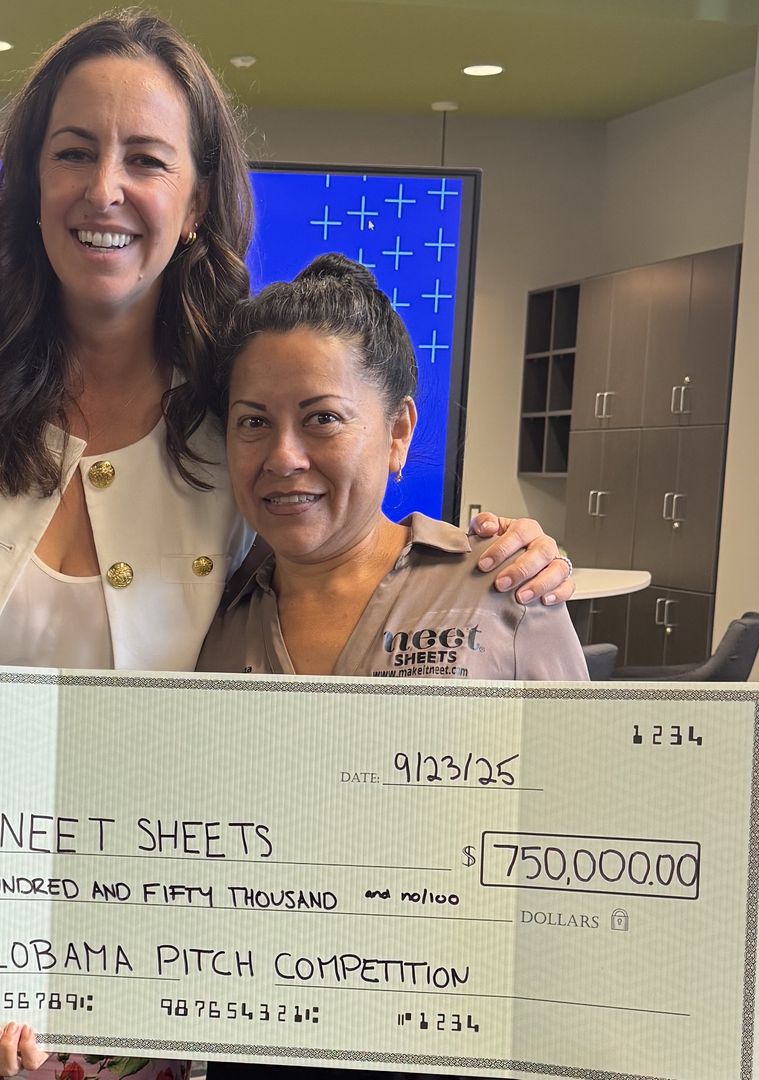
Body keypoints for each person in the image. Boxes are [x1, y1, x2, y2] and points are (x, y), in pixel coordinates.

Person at [0, 13, 576, 1079]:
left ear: (195, 199)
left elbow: (347, 529)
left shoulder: (232, 404)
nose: (104, 188)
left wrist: (507, 552)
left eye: (146, 158)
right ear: (31, 180)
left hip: (132, 933)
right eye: (73, 151)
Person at [196, 255, 584, 1080]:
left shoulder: (502, 590)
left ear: (399, 431)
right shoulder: (210, 620)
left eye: (323, 419)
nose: (283, 456)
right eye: (252, 422)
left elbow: (586, 842)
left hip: (452, 1039)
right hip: (262, 1035)